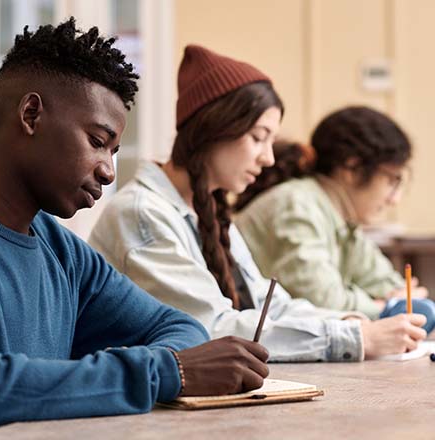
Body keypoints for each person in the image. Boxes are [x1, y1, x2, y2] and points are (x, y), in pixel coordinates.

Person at [0, 20, 271, 440]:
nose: (107, 170)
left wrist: (114, 376)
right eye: (96, 140)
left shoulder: (62, 250)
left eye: (115, 150)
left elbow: (179, 328)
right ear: (31, 114)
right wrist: (167, 372)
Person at [89, 45, 427, 365]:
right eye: (258, 137)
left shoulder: (211, 212)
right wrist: (355, 337)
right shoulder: (142, 212)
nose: (268, 158)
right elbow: (210, 328)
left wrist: (350, 321)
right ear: (215, 128)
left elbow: (272, 305)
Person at [233, 106, 435, 331]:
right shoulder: (296, 204)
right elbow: (324, 303)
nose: (394, 199)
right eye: (392, 180)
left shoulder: (342, 221)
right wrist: (386, 307)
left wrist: (392, 303)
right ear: (352, 167)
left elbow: (395, 289)